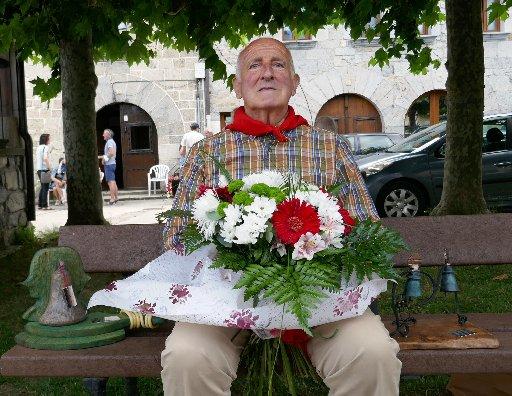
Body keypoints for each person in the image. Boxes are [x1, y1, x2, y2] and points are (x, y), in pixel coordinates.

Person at [160, 38, 402, 395]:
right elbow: (177, 238)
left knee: (372, 352)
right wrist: (232, 253)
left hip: (319, 297)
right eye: (254, 65)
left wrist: (326, 247)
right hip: (224, 299)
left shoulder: (328, 146)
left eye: (278, 64)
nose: (267, 73)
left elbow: (367, 228)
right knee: (188, 355)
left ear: (294, 80)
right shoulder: (207, 151)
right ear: (238, 85)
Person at [98, 129, 118, 204]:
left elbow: (111, 153)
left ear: (108, 135)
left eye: (104, 133)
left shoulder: (109, 142)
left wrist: (104, 159)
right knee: (113, 181)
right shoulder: (111, 141)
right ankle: (116, 198)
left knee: (110, 181)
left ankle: (112, 199)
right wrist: (102, 158)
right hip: (112, 164)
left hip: (109, 164)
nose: (103, 135)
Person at [35, 133, 52, 210]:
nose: (50, 140)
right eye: (49, 138)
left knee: (43, 187)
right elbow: (45, 158)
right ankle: (44, 205)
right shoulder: (46, 147)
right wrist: (49, 168)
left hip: (39, 169)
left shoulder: (38, 148)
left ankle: (40, 204)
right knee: (46, 187)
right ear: (46, 139)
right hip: (45, 169)